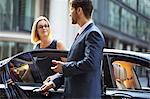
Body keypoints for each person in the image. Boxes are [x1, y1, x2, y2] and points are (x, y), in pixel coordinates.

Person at [41, 0, 105, 98]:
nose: (69, 14)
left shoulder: (93, 34)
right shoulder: (83, 34)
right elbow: (75, 66)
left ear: (79, 10)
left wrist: (64, 67)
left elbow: (90, 63)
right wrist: (54, 82)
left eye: (71, 9)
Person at [31, 16, 66, 86]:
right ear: (36, 31)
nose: (44, 28)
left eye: (46, 26)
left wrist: (54, 78)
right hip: (41, 86)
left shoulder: (58, 44)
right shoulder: (36, 47)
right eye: (41, 27)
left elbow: (68, 67)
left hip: (56, 86)